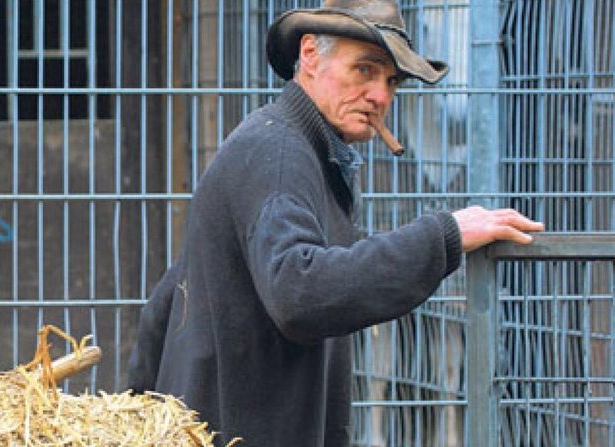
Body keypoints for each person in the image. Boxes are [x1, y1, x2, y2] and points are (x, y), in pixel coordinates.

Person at [125, 1, 544, 445]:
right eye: (365, 70)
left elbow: (170, 295)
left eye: (391, 80)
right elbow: (299, 291)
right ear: (309, 55)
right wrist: (444, 237)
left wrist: (135, 411)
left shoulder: (287, 144)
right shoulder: (281, 155)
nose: (381, 96)